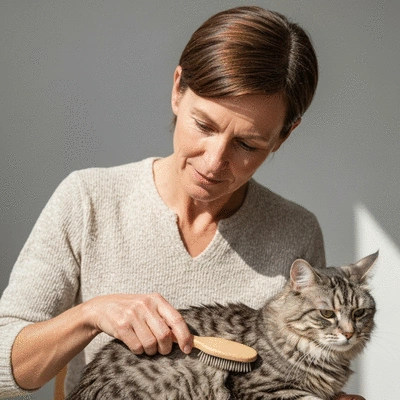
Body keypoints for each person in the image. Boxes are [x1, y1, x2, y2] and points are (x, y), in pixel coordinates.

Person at [0, 6, 365, 400]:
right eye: (204, 125)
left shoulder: (295, 231)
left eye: (247, 144)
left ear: (283, 136)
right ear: (178, 89)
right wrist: (90, 315)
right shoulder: (88, 199)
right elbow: (6, 369)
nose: (213, 162)